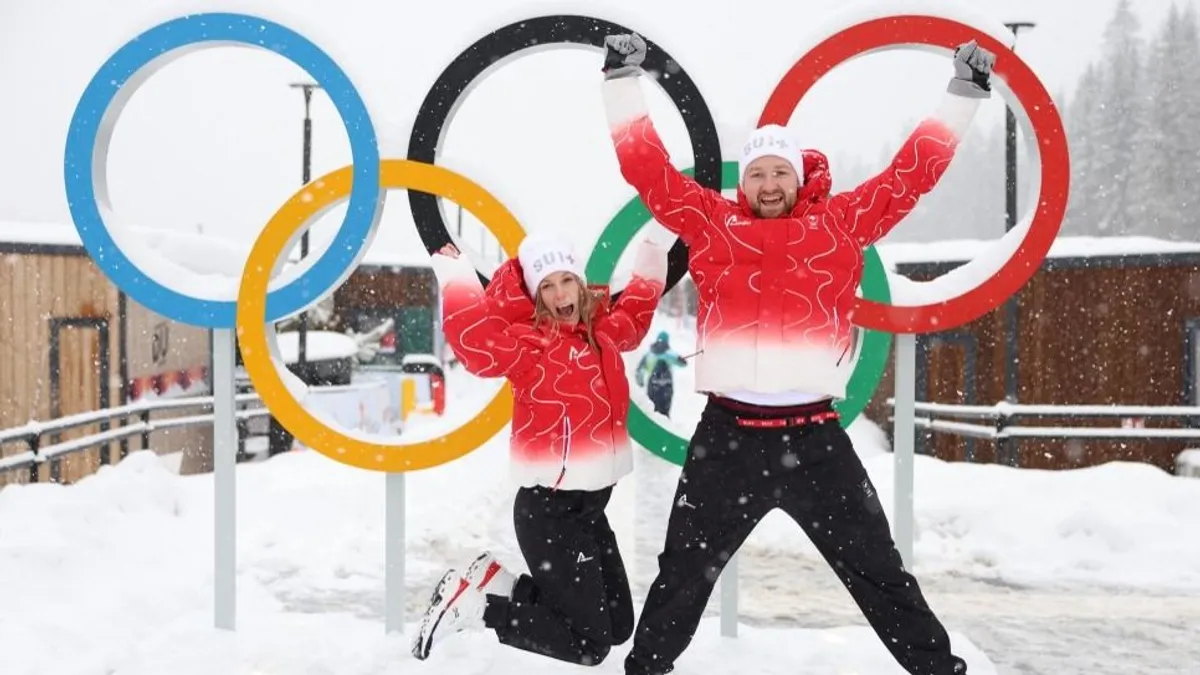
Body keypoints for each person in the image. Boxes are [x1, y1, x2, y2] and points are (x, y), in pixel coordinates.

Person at [599, 33, 995, 675]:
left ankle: (939, 670)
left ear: (799, 176)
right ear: (743, 183)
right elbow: (650, 173)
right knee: (681, 576)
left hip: (815, 440)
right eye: (757, 172)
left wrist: (963, 94)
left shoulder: (838, 226)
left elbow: (908, 178)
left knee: (879, 573)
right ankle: (646, 669)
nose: (769, 182)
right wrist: (621, 80)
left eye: (780, 170)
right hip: (726, 437)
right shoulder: (711, 225)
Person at [411, 232, 669, 667]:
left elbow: (636, 315)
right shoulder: (529, 345)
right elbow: (476, 347)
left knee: (619, 625)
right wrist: (455, 276)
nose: (559, 294)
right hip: (550, 512)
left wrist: (654, 249)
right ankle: (475, 608)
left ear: (581, 283)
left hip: (590, 510)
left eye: (566, 280)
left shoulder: (602, 332)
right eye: (546, 286)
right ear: (535, 295)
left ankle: (496, 584)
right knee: (590, 645)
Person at [635, 331, 689, 418]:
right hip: (666, 387)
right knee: (664, 414)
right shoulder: (670, 354)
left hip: (652, 386)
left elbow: (640, 370)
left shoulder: (649, 354)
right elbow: (683, 364)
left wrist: (640, 382)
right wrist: (680, 359)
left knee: (651, 412)